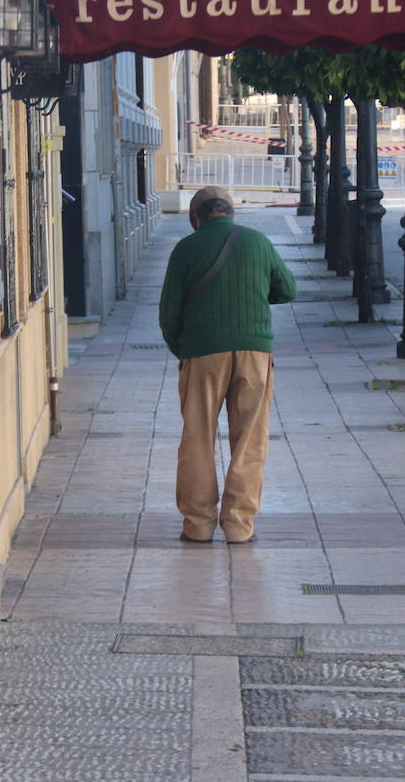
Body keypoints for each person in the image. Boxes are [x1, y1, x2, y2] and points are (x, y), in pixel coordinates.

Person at [158, 187, 297, 544]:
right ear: (230, 214)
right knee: (250, 438)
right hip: (254, 353)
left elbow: (168, 314)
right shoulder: (257, 242)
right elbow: (287, 290)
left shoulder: (186, 249)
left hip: (202, 354)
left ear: (196, 218)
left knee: (197, 438)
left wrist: (185, 352)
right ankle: (238, 525)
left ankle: (198, 525)